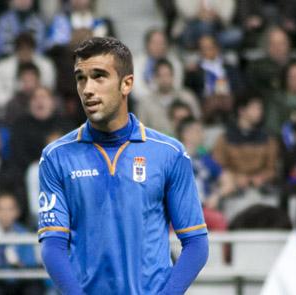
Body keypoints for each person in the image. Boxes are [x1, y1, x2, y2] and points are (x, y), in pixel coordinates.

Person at [38, 37, 208, 294]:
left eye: (99, 76)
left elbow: (196, 243)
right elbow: (53, 246)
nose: (87, 89)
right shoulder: (56, 157)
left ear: (126, 83)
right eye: (81, 78)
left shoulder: (169, 153)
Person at [0, 192, 44, 295]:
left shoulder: (24, 234)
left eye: (10, 209)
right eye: (1, 209)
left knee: (34, 288)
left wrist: (18, 262)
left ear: (17, 212)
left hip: (19, 281)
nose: (5, 214)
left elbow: (30, 261)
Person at [136, 58, 200, 136]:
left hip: (186, 144)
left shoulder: (187, 97)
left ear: (173, 76)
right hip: (157, 144)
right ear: (155, 78)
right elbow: (140, 131)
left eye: (167, 75)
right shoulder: (145, 103)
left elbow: (197, 123)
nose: (164, 79)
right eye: (161, 75)